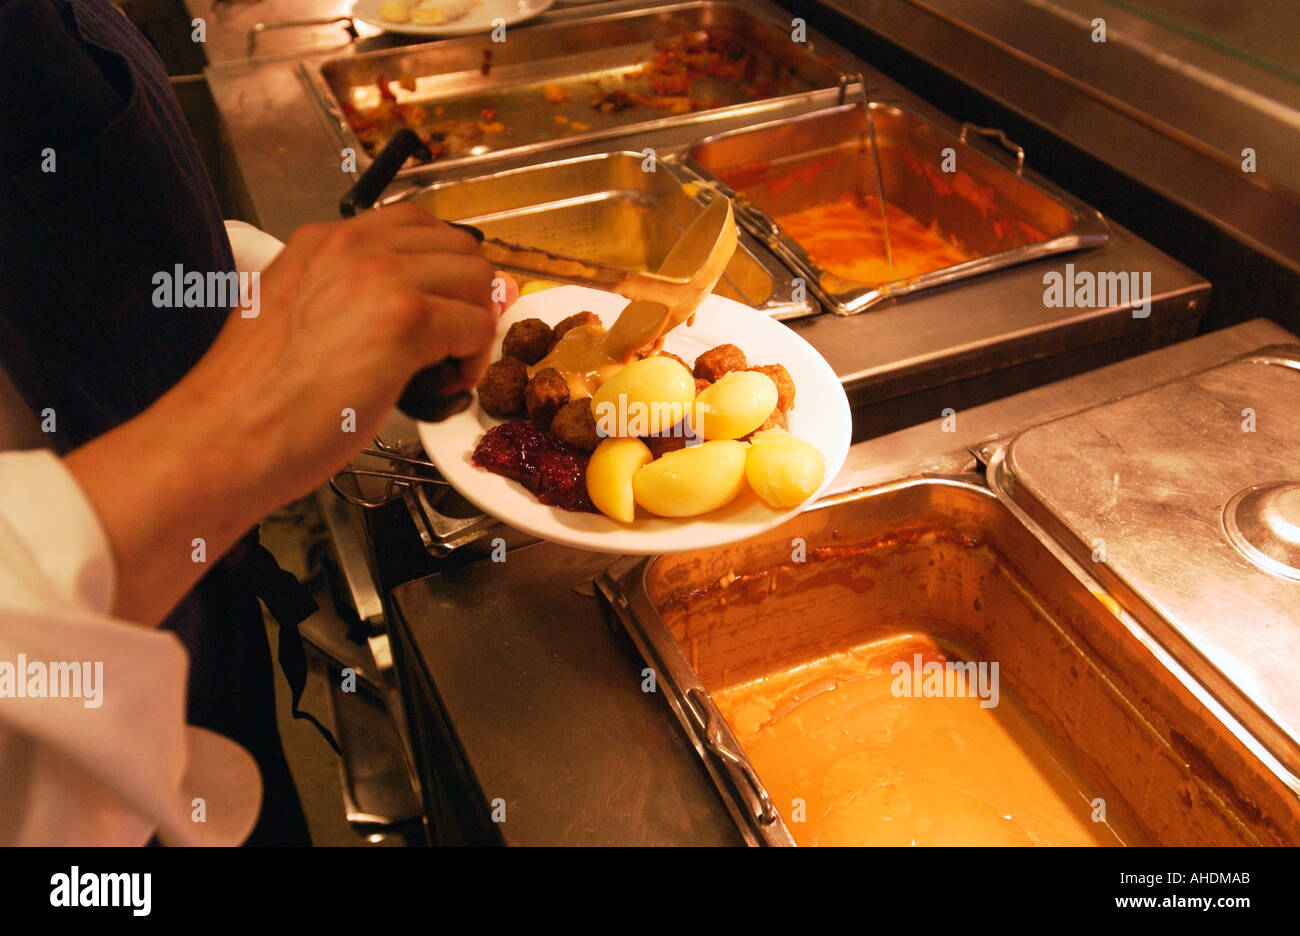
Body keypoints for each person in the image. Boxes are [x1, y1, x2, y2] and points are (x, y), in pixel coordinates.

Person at [0, 0, 513, 844]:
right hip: (77, 742)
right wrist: (241, 421)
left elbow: (95, 249)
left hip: (202, 610)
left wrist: (285, 302)